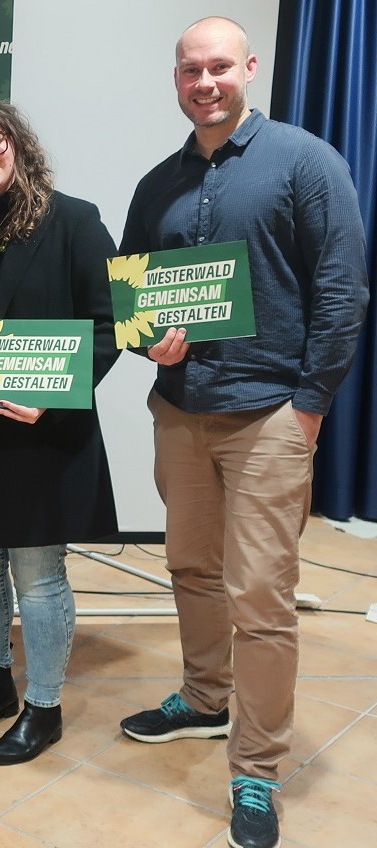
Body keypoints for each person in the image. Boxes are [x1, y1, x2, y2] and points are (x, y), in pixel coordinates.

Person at [118, 18, 368, 848]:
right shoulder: (157, 184)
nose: (205, 81)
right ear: (178, 79)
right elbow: (133, 303)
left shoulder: (305, 161)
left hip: (268, 416)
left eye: (219, 66)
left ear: (249, 68)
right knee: (190, 564)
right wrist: (147, 335)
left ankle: (255, 771)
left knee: (260, 598)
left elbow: (342, 292)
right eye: (191, 69)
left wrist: (310, 405)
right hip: (179, 412)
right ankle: (203, 697)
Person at [0, 98, 120, 765]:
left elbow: (109, 324)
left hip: (40, 434)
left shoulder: (75, 221)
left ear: (16, 142)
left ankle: (44, 706)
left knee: (37, 575)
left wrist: (55, 398)